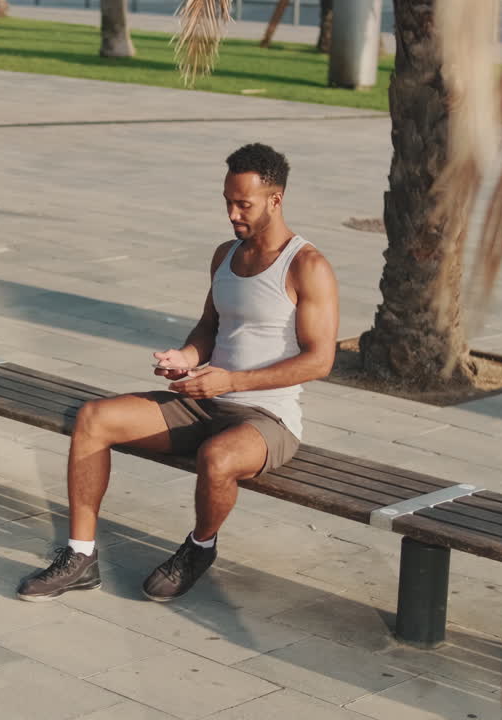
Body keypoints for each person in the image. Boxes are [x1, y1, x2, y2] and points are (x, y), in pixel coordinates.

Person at [17, 143, 340, 602]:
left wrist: (230, 381)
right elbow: (210, 326)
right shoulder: (225, 255)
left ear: (275, 199)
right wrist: (187, 356)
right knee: (93, 419)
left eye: (243, 203)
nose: (232, 213)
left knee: (218, 458)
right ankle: (81, 556)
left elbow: (319, 360)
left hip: (267, 419)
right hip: (203, 400)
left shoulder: (308, 266)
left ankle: (199, 547)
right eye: (227, 201)